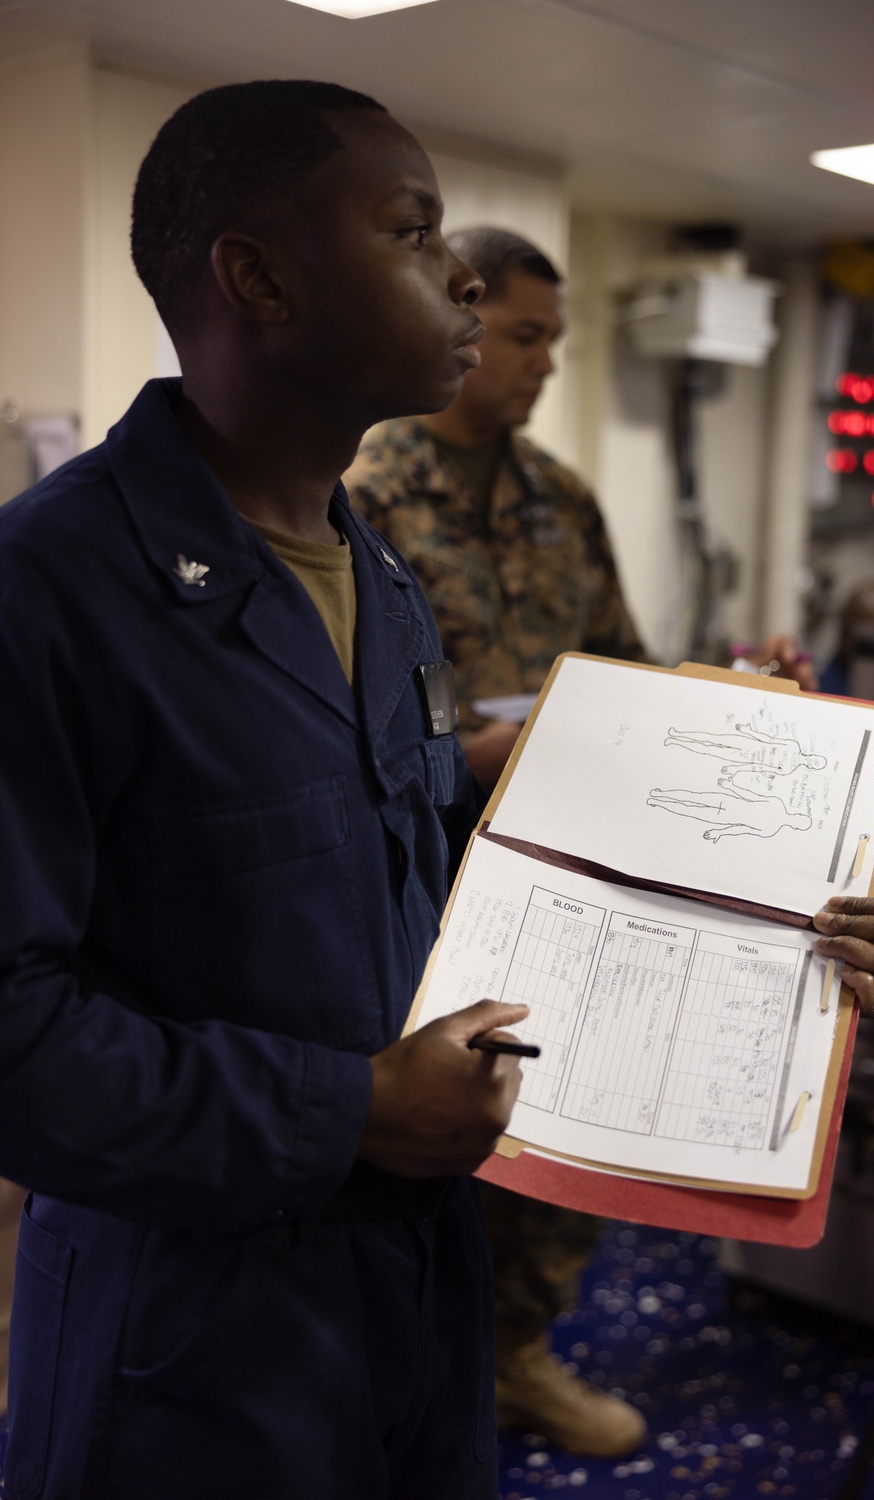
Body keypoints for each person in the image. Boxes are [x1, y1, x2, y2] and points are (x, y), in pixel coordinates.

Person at [0, 81, 537, 1500]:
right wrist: (350, 1109)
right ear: (259, 276)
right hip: (186, 1346)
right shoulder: (48, 586)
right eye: (415, 230)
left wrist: (771, 943)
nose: (464, 272)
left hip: (416, 1300)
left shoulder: (385, 586)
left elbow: (416, 896)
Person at [344, 228, 874, 1458]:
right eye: (522, 333)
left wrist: (727, 689)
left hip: (586, 848)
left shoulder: (562, 497)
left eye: (556, 338)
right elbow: (366, 711)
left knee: (566, 1102)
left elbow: (617, 665)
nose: (544, 361)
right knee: (431, 1140)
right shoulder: (370, 489)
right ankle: (409, 1379)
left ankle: (513, 1354)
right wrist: (474, 752)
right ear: (459, 314)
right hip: (438, 858)